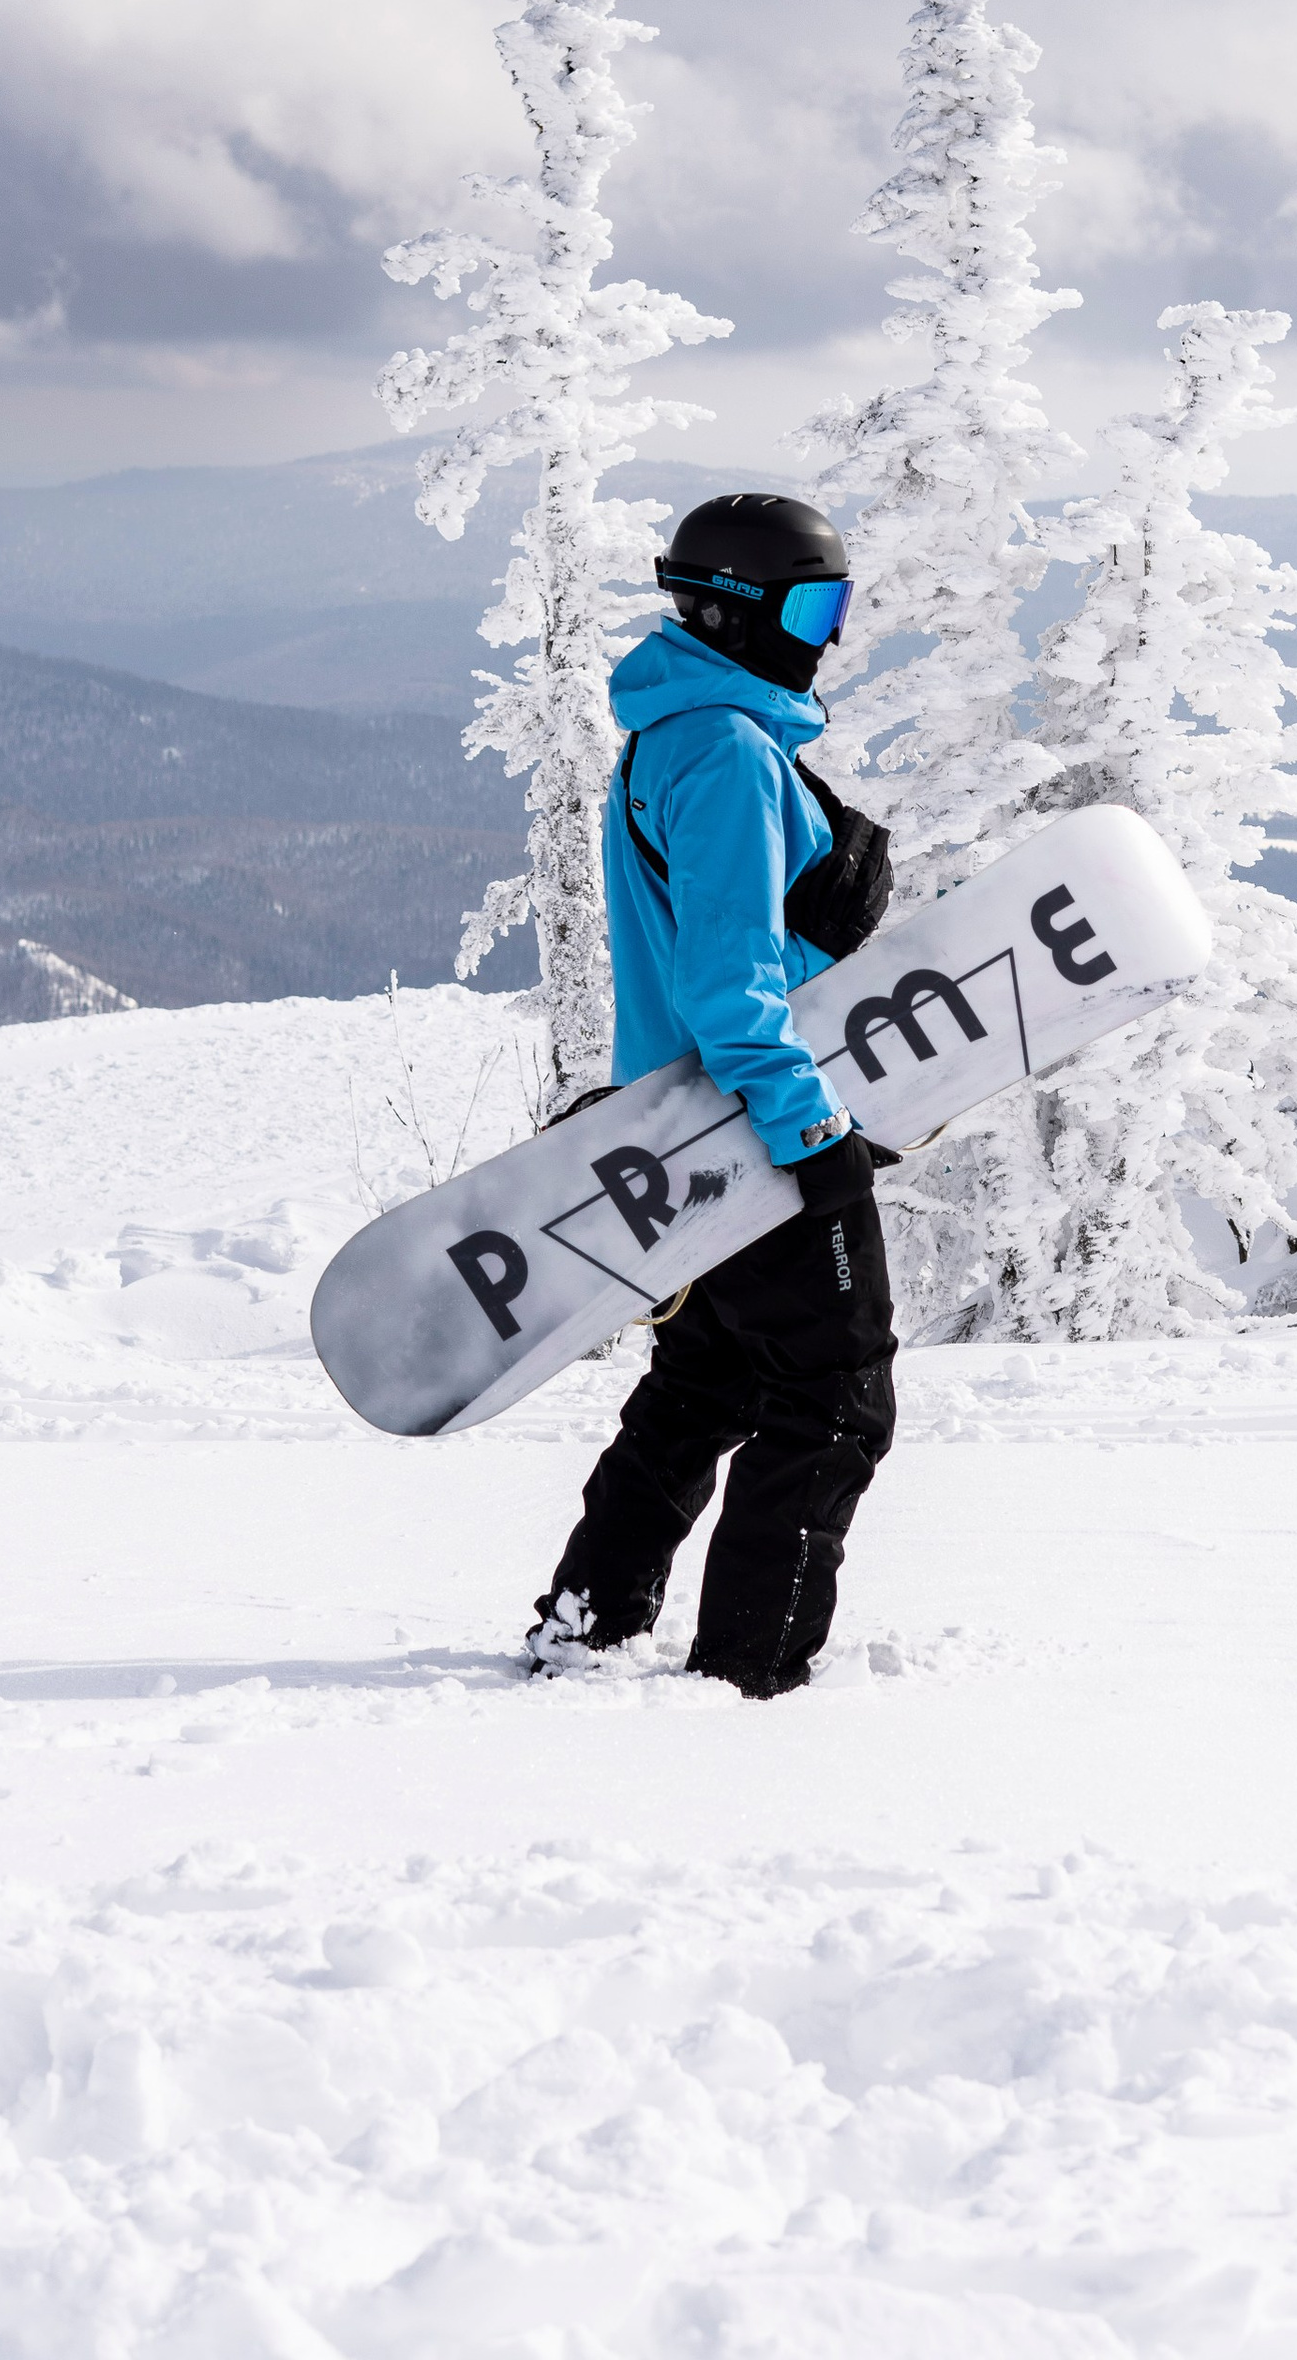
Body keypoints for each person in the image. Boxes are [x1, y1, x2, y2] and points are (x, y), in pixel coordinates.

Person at [524, 491, 897, 1700]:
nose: (828, 633)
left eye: (837, 603)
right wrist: (810, 1133)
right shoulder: (729, 753)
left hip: (689, 1123)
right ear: (740, 611)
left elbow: (722, 951)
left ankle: (589, 1620)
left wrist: (816, 935)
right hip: (756, 1125)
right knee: (834, 1400)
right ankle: (751, 1672)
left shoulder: (686, 734)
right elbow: (729, 987)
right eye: (811, 603)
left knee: (706, 1383)